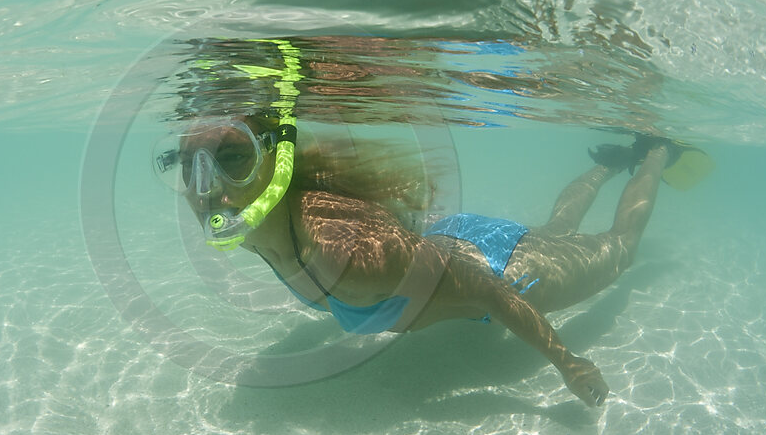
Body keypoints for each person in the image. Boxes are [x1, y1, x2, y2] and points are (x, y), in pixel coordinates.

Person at [154, 112, 706, 407]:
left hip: (506, 271)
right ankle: (610, 164)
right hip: (449, 242)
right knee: (557, 229)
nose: (209, 191)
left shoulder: (342, 251)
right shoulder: (255, 229)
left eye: (232, 160)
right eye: (191, 166)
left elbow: (487, 290)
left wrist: (567, 362)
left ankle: (654, 152)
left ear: (275, 162)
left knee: (619, 250)